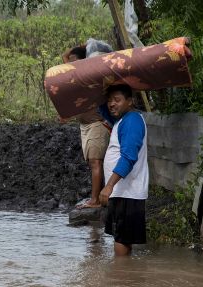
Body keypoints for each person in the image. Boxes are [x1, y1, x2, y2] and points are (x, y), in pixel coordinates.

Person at [61, 39, 115, 209]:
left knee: (95, 162)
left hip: (97, 124)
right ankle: (97, 197)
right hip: (85, 125)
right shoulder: (76, 76)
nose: (73, 65)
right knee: (93, 163)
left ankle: (95, 200)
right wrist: (83, 46)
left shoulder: (92, 76)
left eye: (76, 62)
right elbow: (65, 57)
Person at [98, 84, 148, 257]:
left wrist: (109, 186)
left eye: (117, 100)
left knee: (122, 240)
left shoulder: (132, 121)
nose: (111, 104)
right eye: (109, 100)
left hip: (127, 192)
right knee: (120, 237)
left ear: (130, 101)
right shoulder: (122, 120)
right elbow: (103, 110)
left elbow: (129, 157)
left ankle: (120, 273)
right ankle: (123, 272)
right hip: (122, 191)